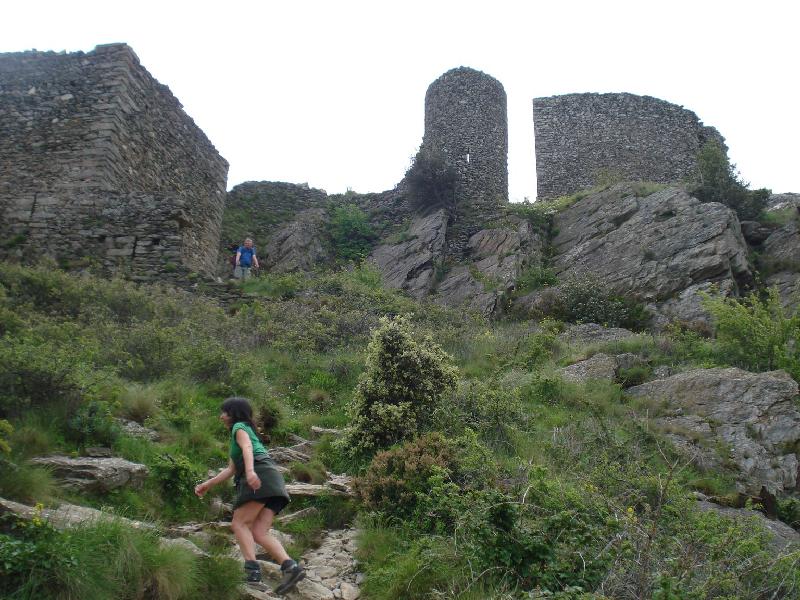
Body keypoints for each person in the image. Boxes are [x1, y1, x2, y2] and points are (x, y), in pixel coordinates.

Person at [195, 397, 304, 594]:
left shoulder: (239, 427)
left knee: (239, 523)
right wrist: (207, 484)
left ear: (233, 414)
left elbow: (248, 449)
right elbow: (231, 469)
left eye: (224, 412)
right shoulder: (244, 431)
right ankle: (291, 568)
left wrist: (251, 471)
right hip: (273, 479)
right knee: (259, 532)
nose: (221, 417)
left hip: (260, 474)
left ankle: (252, 574)